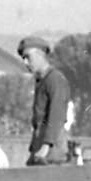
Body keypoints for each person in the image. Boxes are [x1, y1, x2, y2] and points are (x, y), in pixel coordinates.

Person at [17, 36, 71, 165]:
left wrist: (45, 147)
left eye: (28, 57)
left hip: (51, 153)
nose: (25, 62)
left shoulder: (55, 79)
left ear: (40, 55)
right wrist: (33, 150)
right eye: (23, 58)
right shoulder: (41, 81)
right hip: (41, 149)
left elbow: (56, 116)